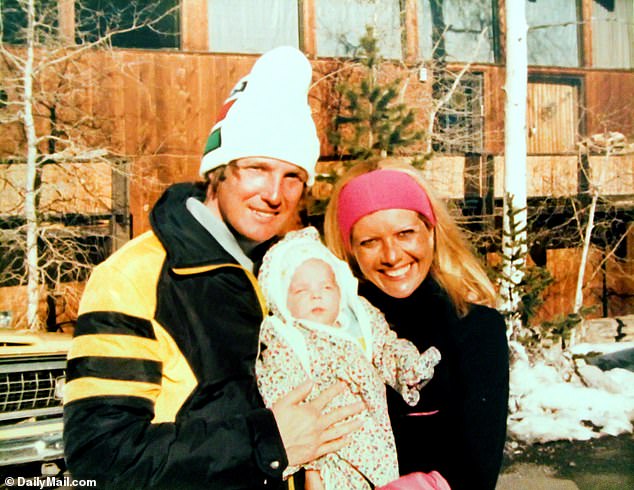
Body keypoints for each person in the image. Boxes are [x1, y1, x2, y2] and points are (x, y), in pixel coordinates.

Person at [63, 46, 364, 490]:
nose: (274, 194)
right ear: (218, 172)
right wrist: (267, 443)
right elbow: (101, 456)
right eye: (257, 168)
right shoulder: (135, 276)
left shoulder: (283, 273)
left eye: (292, 177)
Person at [323, 160, 510, 490]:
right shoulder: (333, 332)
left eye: (405, 233)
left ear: (431, 232)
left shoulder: (476, 329)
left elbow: (476, 473)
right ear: (350, 250)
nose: (392, 256)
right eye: (370, 241)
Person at [255, 227, 442, 490]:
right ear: (282, 299)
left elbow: (387, 347)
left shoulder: (358, 322)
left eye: (326, 287)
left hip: (377, 445)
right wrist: (311, 467)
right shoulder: (288, 338)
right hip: (330, 450)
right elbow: (282, 391)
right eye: (301, 291)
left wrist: (407, 367)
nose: (316, 295)